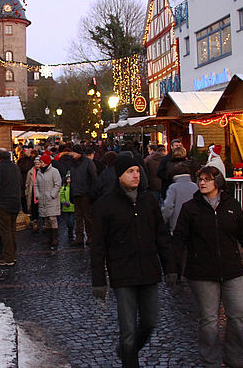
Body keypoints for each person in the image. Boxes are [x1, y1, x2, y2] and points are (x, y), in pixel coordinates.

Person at [172, 165, 243, 368]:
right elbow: (179, 238)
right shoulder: (191, 208)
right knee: (209, 321)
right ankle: (210, 361)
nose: (202, 183)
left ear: (218, 182)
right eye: (200, 179)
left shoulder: (231, 205)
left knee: (239, 315)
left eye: (207, 179)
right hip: (202, 272)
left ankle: (234, 357)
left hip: (232, 269)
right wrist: (173, 267)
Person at [91, 154, 177, 368]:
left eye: (138, 171)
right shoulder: (105, 204)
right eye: (130, 171)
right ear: (119, 175)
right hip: (123, 273)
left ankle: (124, 351)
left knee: (149, 322)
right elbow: (98, 245)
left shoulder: (148, 200)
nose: (136, 175)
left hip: (149, 270)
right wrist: (99, 280)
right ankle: (130, 361)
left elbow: (161, 236)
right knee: (128, 330)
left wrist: (170, 268)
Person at [0, 148, 21, 266]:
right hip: (15, 203)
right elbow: (20, 184)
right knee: (12, 229)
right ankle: (12, 254)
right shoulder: (15, 167)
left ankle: (8, 257)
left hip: (2, 204)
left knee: (5, 231)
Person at [70, 144, 97, 246]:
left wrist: (92, 193)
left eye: (74, 152)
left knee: (87, 217)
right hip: (76, 193)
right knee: (78, 217)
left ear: (79, 153)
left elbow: (93, 178)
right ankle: (79, 237)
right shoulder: (72, 163)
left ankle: (90, 236)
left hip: (85, 193)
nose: (72, 154)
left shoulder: (88, 163)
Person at [162, 162, 199, 234]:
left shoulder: (173, 188)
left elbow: (168, 206)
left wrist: (163, 219)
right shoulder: (195, 186)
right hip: (194, 225)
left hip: (177, 225)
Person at [35, 152, 62, 249]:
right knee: (45, 219)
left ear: (46, 162)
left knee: (52, 218)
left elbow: (58, 184)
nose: (40, 164)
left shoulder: (54, 171)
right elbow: (36, 184)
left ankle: (55, 238)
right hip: (42, 198)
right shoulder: (39, 172)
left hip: (51, 199)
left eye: (41, 162)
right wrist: (37, 195)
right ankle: (48, 237)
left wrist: (52, 195)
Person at [25, 156, 42, 232]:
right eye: (36, 164)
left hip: (41, 193)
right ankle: (35, 223)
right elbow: (27, 183)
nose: (37, 165)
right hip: (33, 193)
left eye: (39, 164)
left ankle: (43, 223)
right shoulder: (30, 172)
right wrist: (26, 192)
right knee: (33, 208)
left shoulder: (43, 171)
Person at [60, 170, 75, 241]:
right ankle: (70, 230)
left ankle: (71, 233)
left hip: (73, 208)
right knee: (67, 222)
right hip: (66, 208)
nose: (69, 180)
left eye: (70, 179)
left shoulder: (74, 188)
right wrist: (64, 202)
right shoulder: (64, 188)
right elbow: (61, 196)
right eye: (68, 179)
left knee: (71, 221)